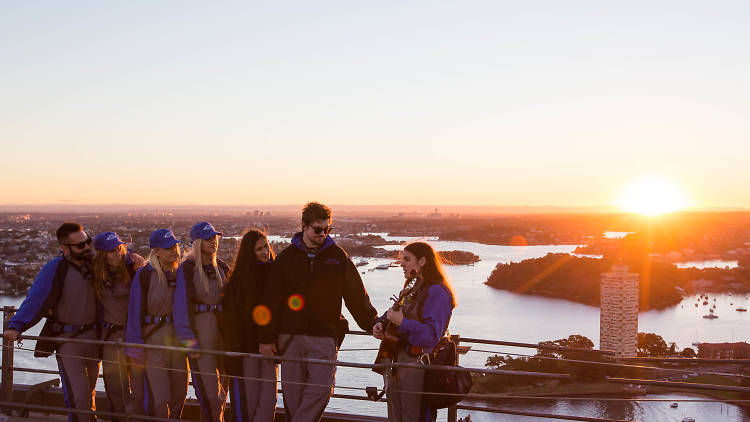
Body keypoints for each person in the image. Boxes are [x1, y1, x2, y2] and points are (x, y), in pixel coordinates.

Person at [258, 202, 378, 422]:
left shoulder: (338, 257)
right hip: (290, 338)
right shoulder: (286, 259)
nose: (323, 234)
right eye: (318, 229)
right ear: (304, 226)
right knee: (293, 398)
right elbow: (271, 301)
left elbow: (356, 295)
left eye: (327, 229)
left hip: (324, 337)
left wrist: (372, 323)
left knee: (322, 390)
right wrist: (266, 338)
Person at [3, 222, 100, 422]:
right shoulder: (55, 269)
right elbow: (35, 300)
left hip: (96, 339)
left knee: (90, 393)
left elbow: (117, 251)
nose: (87, 247)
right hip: (68, 340)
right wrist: (15, 326)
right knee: (78, 395)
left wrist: (132, 255)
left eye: (87, 241)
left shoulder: (96, 263)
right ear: (64, 248)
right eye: (80, 245)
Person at [372, 242, 456, 422]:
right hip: (400, 364)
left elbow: (430, 336)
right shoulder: (413, 288)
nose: (402, 264)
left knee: (414, 416)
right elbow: (393, 313)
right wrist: (381, 323)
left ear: (423, 261)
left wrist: (402, 322)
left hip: (419, 367)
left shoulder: (437, 292)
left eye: (407, 259)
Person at [125, 228, 188, 419]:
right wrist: (135, 349)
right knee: (159, 398)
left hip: (177, 342)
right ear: (156, 251)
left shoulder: (182, 272)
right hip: (153, 341)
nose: (173, 250)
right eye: (168, 247)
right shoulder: (146, 274)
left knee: (180, 393)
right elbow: (134, 312)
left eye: (175, 246)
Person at [174, 222, 231, 422]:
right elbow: (181, 307)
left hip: (221, 333)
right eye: (207, 239)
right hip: (201, 332)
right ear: (198, 242)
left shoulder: (221, 266)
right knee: (209, 392)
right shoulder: (187, 269)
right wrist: (189, 341)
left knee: (223, 391)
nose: (213, 242)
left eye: (214, 238)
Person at [221, 229, 277, 422]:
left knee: (269, 401)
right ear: (249, 252)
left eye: (266, 247)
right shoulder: (238, 282)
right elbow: (231, 322)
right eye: (259, 249)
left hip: (269, 350)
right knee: (248, 403)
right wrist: (233, 356)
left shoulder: (276, 274)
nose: (265, 252)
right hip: (246, 353)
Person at [91, 231, 146, 421]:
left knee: (140, 386)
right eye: (112, 251)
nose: (118, 253)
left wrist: (132, 254)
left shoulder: (133, 268)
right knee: (115, 387)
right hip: (111, 336)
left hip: (135, 335)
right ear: (101, 255)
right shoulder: (95, 272)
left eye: (120, 248)